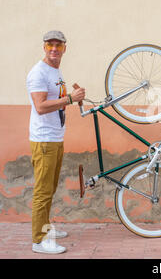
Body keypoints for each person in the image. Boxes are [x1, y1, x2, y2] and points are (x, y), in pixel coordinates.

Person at [26, 30, 85, 254]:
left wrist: (72, 94)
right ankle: (39, 240)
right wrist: (70, 99)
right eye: (50, 45)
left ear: (64, 49)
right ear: (44, 47)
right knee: (42, 191)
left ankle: (45, 227)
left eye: (58, 46)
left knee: (49, 188)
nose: (54, 49)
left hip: (55, 138)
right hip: (44, 140)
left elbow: (55, 100)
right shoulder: (38, 73)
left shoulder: (55, 71)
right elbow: (40, 107)